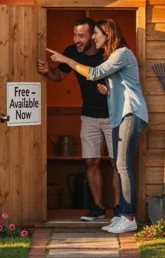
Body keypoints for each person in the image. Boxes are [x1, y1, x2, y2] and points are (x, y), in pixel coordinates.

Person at [46, 18, 148, 234]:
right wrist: (108, 90)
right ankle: (121, 216)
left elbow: (93, 74)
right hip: (121, 115)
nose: (93, 38)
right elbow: (122, 84)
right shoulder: (116, 56)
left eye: (96, 34)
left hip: (130, 113)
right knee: (120, 165)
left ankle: (128, 217)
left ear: (107, 35)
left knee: (122, 166)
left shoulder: (121, 53)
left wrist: (66, 59)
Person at [37, 17, 120, 222]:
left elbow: (120, 79)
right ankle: (98, 208)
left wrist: (110, 88)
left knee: (117, 163)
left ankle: (120, 209)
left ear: (93, 35)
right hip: (89, 115)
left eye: (81, 36)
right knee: (91, 161)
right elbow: (59, 76)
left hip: (113, 115)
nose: (76, 40)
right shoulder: (72, 52)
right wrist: (48, 71)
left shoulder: (107, 52)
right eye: (74, 35)